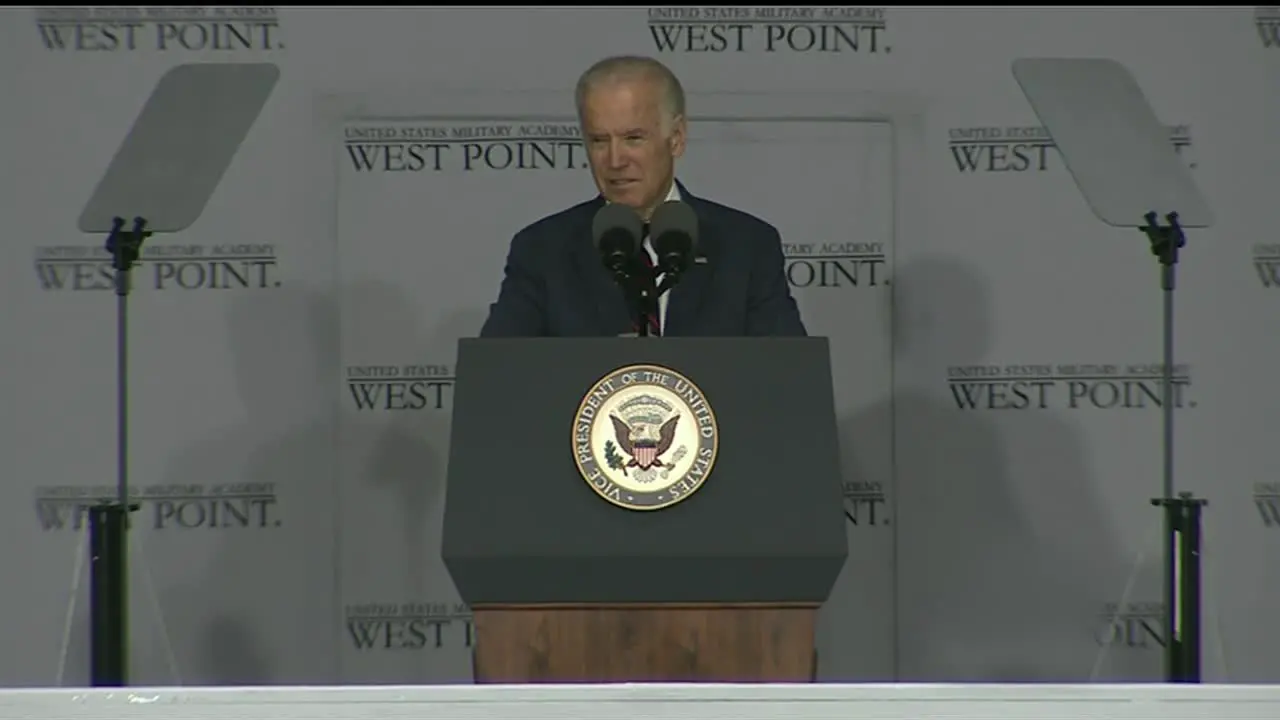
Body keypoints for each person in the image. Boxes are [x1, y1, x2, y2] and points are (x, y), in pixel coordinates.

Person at [478, 55, 806, 338]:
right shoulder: (542, 250)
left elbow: (787, 381)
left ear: (676, 138)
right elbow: (499, 378)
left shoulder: (745, 246)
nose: (615, 160)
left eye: (633, 138)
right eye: (599, 141)